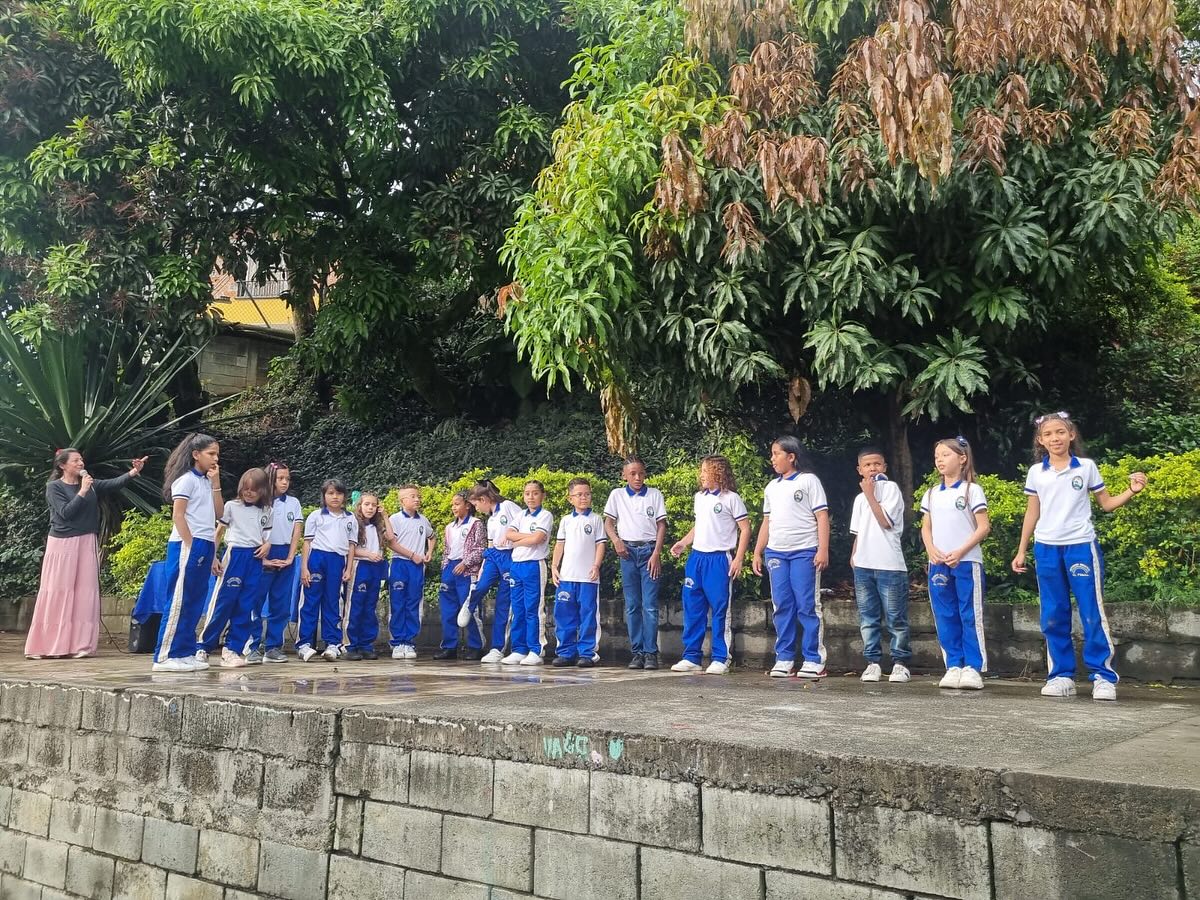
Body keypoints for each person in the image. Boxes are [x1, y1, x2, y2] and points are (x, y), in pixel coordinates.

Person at [1012, 412, 1147, 701]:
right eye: (1048, 434)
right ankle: (1061, 675)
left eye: (1060, 432)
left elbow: (1107, 504)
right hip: (1046, 548)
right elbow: (1032, 511)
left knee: (1090, 610)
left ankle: (1103, 676)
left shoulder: (1085, 467)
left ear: (1071, 435)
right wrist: (1022, 549)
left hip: (1081, 546)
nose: (1055, 438)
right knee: (1052, 613)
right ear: (1040, 440)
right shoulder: (1037, 472)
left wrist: (1132, 491)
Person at [26, 448, 147, 660]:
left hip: (86, 540)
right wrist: (82, 491)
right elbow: (65, 513)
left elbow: (112, 484)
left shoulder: (91, 484)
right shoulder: (54, 487)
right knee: (59, 592)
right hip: (63, 543)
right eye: (76, 461)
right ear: (63, 465)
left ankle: (80, 645)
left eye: (81, 459)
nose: (81, 463)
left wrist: (133, 472)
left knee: (84, 592)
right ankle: (46, 646)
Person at [752, 437, 830, 679]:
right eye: (772, 454)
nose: (772, 459)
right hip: (776, 552)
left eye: (777, 453)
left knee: (807, 605)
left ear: (792, 456)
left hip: (805, 551)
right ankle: (784, 657)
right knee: (782, 605)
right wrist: (757, 551)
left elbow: (822, 516)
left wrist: (823, 549)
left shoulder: (809, 481)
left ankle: (813, 659)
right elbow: (767, 521)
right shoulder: (771, 487)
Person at [919, 437, 991, 690]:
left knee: (969, 614)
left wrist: (960, 551)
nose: (939, 460)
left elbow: (983, 527)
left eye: (945, 455)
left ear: (962, 458)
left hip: (967, 561)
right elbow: (926, 527)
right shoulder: (931, 494)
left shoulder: (972, 490)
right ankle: (953, 665)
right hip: (938, 562)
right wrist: (932, 550)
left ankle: (973, 667)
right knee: (945, 614)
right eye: (937, 455)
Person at [670, 455, 751, 675]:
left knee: (719, 609)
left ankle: (720, 657)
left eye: (706, 471)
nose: (702, 475)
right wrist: (684, 543)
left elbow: (745, 528)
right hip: (697, 558)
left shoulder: (731, 498)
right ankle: (691, 656)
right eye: (702, 471)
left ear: (719, 473)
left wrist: (739, 558)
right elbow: (699, 525)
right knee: (693, 608)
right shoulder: (700, 497)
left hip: (719, 559)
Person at [153, 433, 223, 672]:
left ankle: (184, 651)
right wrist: (191, 545)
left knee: (195, 600)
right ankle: (164, 656)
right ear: (196, 455)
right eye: (210, 454)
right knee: (179, 600)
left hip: (205, 543)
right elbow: (178, 516)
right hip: (186, 544)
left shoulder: (206, 481)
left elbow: (219, 514)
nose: (215, 458)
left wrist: (216, 484)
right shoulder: (185, 481)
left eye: (217, 454)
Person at [196, 468, 273, 668]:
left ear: (263, 490)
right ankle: (203, 646)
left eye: (254, 490)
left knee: (246, 605)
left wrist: (267, 546)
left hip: (254, 559)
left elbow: (266, 537)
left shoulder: (267, 511)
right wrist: (213, 557)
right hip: (234, 556)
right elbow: (218, 532)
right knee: (223, 603)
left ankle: (233, 649)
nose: (248, 493)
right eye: (245, 489)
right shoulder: (231, 506)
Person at [849, 447, 911, 684]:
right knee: (868, 618)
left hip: (890, 565)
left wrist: (871, 495)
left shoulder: (891, 489)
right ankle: (872, 662)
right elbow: (858, 532)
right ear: (859, 470)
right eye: (867, 465)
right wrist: (854, 555)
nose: (872, 468)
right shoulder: (858, 499)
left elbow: (885, 522)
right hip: (864, 565)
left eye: (877, 464)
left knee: (896, 618)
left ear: (884, 467)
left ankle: (900, 663)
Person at [603, 457, 668, 670]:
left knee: (649, 605)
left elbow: (661, 525)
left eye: (640, 473)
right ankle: (637, 652)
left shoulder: (655, 494)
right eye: (632, 474)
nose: (637, 477)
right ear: (624, 475)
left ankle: (651, 653)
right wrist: (616, 540)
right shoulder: (617, 495)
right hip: (627, 553)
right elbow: (609, 523)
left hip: (649, 551)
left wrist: (656, 553)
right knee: (632, 605)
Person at [297, 478, 357, 662]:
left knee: (332, 602)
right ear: (324, 496)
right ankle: (304, 644)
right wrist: (304, 568)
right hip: (317, 558)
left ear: (344, 496)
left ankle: (333, 643)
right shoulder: (316, 516)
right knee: (310, 601)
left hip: (337, 560)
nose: (335, 497)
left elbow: (351, 545)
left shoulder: (350, 518)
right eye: (330, 493)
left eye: (338, 493)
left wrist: (348, 568)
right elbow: (307, 543)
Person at [465, 480, 523, 664]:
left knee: (503, 603)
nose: (477, 508)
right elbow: (490, 543)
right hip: (493, 555)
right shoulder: (490, 519)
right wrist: (484, 565)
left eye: (476, 505)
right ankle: (468, 605)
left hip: (509, 556)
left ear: (483, 499)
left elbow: (523, 523)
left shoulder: (507, 506)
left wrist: (516, 544)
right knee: (480, 586)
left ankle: (497, 648)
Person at [551, 478, 607, 667]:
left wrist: (596, 566)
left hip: (588, 579)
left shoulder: (596, 519)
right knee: (564, 615)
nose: (584, 498)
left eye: (587, 494)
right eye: (579, 495)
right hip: (567, 577)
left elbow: (600, 544)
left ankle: (587, 652)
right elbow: (560, 544)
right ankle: (566, 652)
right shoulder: (566, 520)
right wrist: (554, 567)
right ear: (570, 499)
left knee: (588, 615)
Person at [252, 463, 302, 663]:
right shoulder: (258, 501)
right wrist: (263, 557)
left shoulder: (293, 502)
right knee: (255, 601)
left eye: (287, 479)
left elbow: (297, 530)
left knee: (280, 604)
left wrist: (290, 557)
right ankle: (252, 645)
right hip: (262, 553)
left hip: (284, 553)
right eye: (280, 478)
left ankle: (273, 646)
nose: (284, 482)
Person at [503, 480, 554, 667]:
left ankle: (536, 649)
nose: (530, 497)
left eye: (535, 493)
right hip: (516, 565)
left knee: (533, 608)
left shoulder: (545, 515)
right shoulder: (520, 516)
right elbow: (508, 534)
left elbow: (539, 538)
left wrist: (519, 540)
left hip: (534, 565)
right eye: (527, 493)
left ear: (542, 495)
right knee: (517, 609)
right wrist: (528, 539)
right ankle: (519, 649)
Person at [435, 491, 486, 661]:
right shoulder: (449, 527)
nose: (453, 507)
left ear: (468, 505)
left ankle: (476, 646)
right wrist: (445, 568)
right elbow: (446, 550)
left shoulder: (476, 524)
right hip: (450, 569)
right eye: (452, 505)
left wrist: (465, 563)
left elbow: (480, 548)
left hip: (467, 570)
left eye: (457, 504)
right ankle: (449, 647)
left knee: (469, 609)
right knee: (448, 610)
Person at [386, 485, 435, 660]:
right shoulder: (395, 519)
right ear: (402, 501)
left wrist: (429, 552)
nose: (417, 499)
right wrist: (412, 554)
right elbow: (391, 543)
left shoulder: (423, 520)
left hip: (417, 566)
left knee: (413, 603)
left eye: (418, 496)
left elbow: (432, 536)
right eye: (412, 496)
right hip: (400, 563)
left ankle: (409, 641)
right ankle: (398, 642)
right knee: (398, 603)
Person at [344, 492, 390, 661]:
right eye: (367, 504)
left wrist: (384, 516)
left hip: (375, 568)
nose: (370, 508)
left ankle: (366, 644)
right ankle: (349, 644)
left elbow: (390, 538)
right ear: (359, 506)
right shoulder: (354, 524)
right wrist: (368, 554)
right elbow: (349, 548)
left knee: (370, 607)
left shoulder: (376, 526)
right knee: (355, 606)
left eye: (373, 505)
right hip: (360, 566)